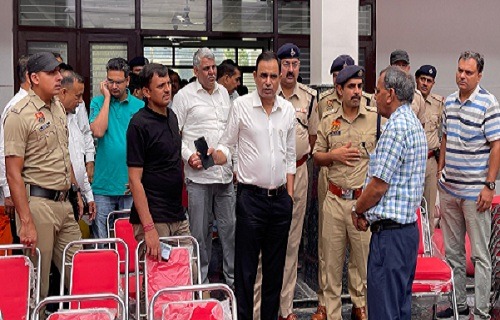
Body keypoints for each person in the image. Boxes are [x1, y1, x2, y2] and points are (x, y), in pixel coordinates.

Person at [211, 50, 296, 320]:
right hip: (250, 201)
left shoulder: (288, 110)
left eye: (273, 76)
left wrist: (290, 197)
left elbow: (291, 156)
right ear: (255, 77)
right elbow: (227, 143)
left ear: (280, 77)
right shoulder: (242, 107)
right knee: (246, 271)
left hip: (281, 201)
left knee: (275, 271)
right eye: (263, 76)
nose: (268, 81)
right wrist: (219, 155)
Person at [4, 52, 84, 304]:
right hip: (38, 205)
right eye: (52, 73)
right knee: (38, 283)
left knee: (81, 272)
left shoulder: (59, 107)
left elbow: (64, 152)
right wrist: (25, 221)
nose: (59, 77)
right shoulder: (18, 113)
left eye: (59, 72)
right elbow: (12, 172)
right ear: (34, 78)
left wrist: (76, 190)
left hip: (64, 202)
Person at [353, 66, 427, 319]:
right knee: (399, 308)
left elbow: (378, 186)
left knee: (384, 310)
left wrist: (358, 209)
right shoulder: (413, 123)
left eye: (377, 90)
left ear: (390, 94)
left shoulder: (396, 128)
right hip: (405, 234)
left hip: (391, 237)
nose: (374, 96)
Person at [436, 51, 500, 319]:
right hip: (450, 191)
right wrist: (440, 173)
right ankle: (458, 303)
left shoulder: (489, 103)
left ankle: (482, 311)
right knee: (453, 253)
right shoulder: (449, 102)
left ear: (479, 75)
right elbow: (445, 140)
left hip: (476, 194)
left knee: (481, 257)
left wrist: (489, 185)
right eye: (460, 70)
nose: (462, 76)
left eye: (469, 72)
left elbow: (496, 145)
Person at [313, 65, 380, 320]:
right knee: (331, 264)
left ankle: (360, 306)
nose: (356, 92)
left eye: (360, 87)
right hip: (334, 200)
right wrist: (333, 155)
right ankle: (332, 313)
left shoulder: (375, 118)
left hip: (362, 203)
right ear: (338, 90)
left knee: (361, 262)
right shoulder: (329, 119)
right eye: (351, 87)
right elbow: (316, 156)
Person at [171, 47, 235, 287]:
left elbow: (231, 134)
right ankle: (202, 283)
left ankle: (231, 282)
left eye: (213, 67)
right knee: (200, 234)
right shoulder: (184, 97)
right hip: (198, 178)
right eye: (206, 68)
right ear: (195, 70)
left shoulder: (224, 94)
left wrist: (233, 163)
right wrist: (188, 156)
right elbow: (173, 134)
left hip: (225, 176)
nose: (211, 72)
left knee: (229, 231)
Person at [272, 42, 318, 320]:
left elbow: (312, 139)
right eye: (286, 64)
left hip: (299, 172)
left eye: (295, 64)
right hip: (271, 176)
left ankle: (286, 308)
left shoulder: (310, 98)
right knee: (269, 243)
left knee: (292, 242)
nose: (290, 69)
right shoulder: (267, 94)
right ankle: (262, 307)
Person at [127, 63, 189, 259]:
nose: (168, 89)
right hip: (154, 218)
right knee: (158, 283)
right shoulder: (139, 124)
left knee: (189, 273)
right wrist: (148, 227)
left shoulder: (172, 116)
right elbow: (135, 180)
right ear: (146, 91)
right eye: (161, 86)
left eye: (169, 84)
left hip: (177, 214)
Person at [89, 57, 144, 239]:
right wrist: (106, 99)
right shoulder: (97, 103)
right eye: (110, 81)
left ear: (128, 81)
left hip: (130, 185)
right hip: (103, 185)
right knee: (102, 242)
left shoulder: (140, 106)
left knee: (129, 241)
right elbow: (97, 131)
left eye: (118, 82)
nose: (114, 86)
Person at [0, 55, 30, 245]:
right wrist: (8, 192)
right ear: (31, 76)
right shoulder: (16, 107)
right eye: (50, 73)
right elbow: (4, 150)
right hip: (19, 189)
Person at [58, 70, 96, 221]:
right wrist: (77, 193)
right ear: (63, 92)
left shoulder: (74, 123)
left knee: (76, 244)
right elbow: (66, 163)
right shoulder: (55, 124)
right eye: (78, 96)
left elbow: (78, 163)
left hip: (76, 196)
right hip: (61, 199)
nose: (81, 101)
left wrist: (88, 195)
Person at [415, 64, 444, 235]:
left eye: (429, 81)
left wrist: (440, 167)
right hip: (412, 163)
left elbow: (444, 136)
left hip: (430, 161)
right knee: (411, 209)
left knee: (430, 210)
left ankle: (429, 250)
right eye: (423, 79)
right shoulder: (408, 101)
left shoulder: (439, 104)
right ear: (417, 80)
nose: (425, 83)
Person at [389, 50, 426, 125]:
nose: (400, 69)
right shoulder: (382, 94)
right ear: (390, 68)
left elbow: (421, 125)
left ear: (408, 68)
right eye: (397, 65)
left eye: (403, 65)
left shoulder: (417, 97)